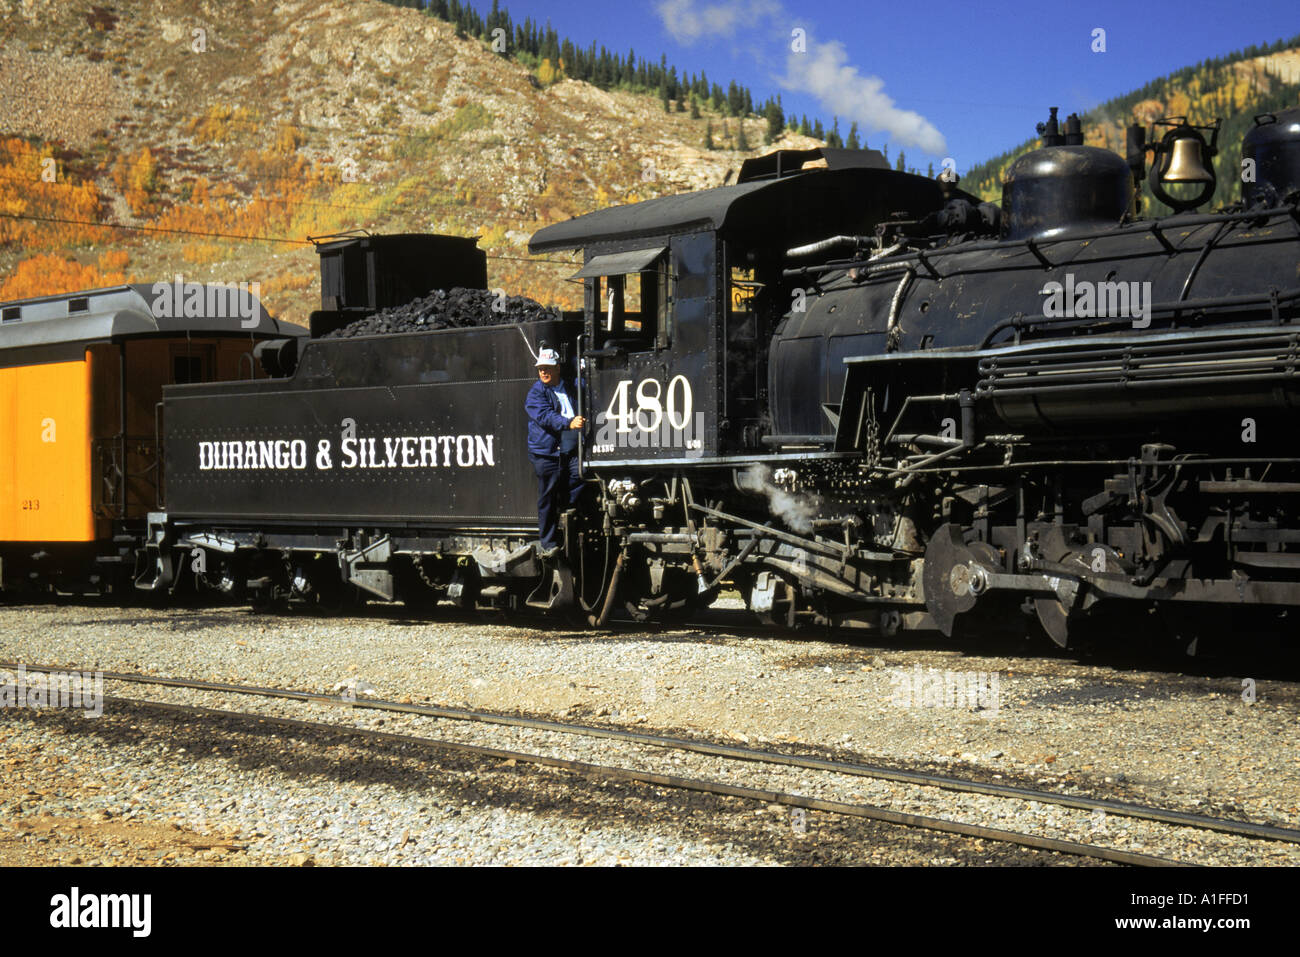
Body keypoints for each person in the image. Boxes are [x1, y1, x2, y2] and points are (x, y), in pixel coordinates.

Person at [524, 348, 585, 557]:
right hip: (547, 452)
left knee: (580, 475)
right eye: (540, 369)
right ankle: (548, 542)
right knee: (547, 495)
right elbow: (546, 417)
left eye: (547, 368)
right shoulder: (536, 393)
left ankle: (565, 508)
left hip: (569, 449)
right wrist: (569, 423)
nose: (543, 372)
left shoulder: (568, 386)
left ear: (557, 368)